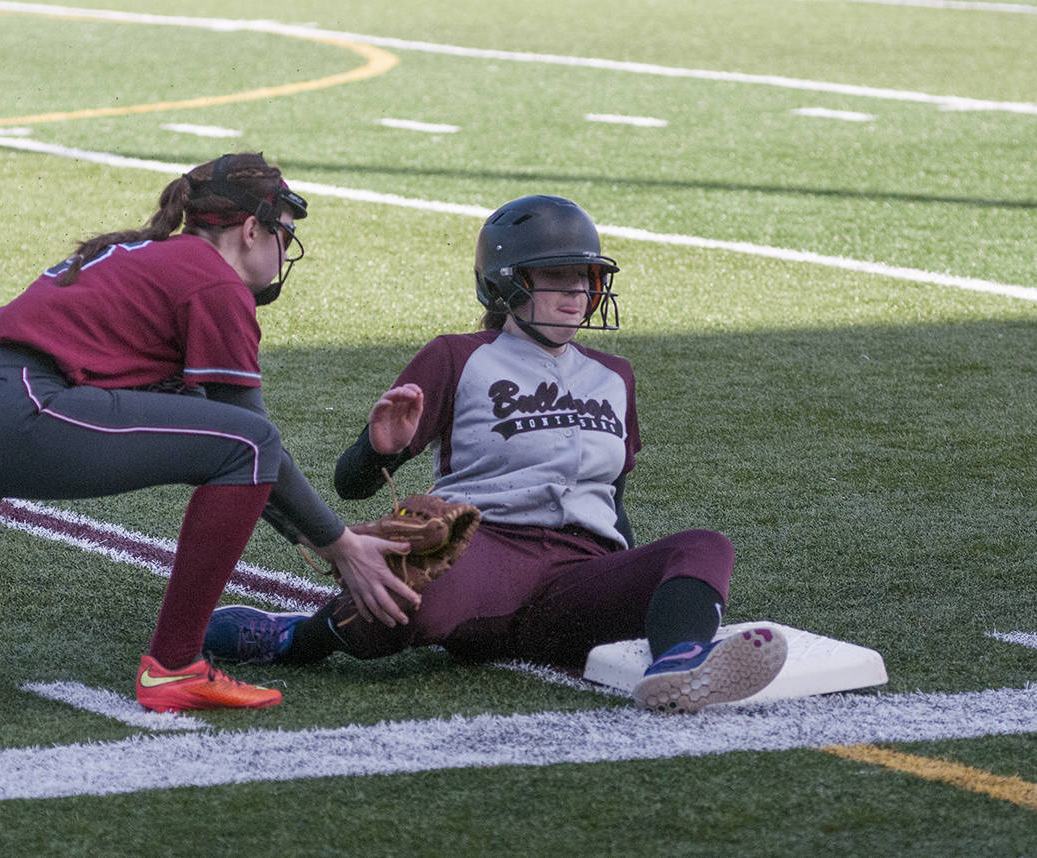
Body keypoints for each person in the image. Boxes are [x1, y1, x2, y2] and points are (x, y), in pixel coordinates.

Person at [0, 152, 418, 713]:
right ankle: (174, 665)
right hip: (8, 407)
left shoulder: (143, 253)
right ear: (250, 229)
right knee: (249, 443)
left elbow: (230, 450)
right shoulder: (213, 282)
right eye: (283, 234)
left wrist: (325, 539)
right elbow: (252, 441)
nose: (284, 250)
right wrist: (340, 544)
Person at [202, 194, 787, 713]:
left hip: (578, 574)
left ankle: (680, 665)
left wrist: (627, 579)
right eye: (556, 277)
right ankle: (300, 638)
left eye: (586, 277)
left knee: (704, 547)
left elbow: (613, 499)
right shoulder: (458, 356)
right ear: (506, 283)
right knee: (414, 587)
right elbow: (351, 485)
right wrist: (380, 448)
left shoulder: (615, 375)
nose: (578, 293)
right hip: (482, 551)